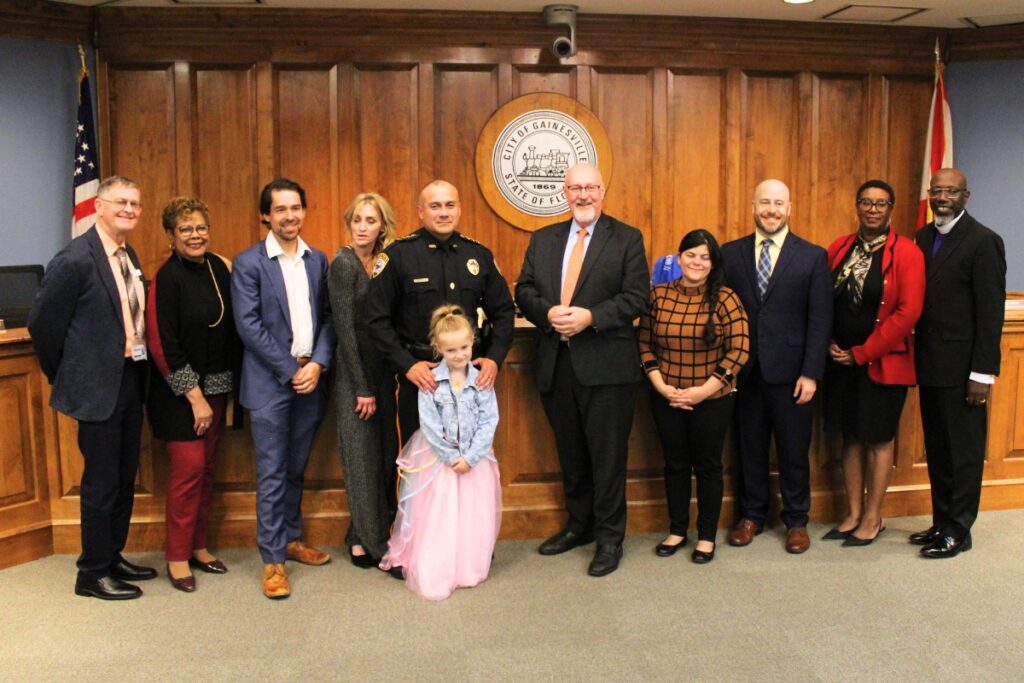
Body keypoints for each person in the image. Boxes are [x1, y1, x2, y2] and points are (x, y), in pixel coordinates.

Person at [515, 162, 649, 577]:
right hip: (557, 364)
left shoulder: (626, 238)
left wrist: (591, 317)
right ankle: (580, 526)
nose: (584, 195)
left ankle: (609, 539)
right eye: (576, 188)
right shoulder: (543, 239)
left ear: (603, 191)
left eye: (591, 187)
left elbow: (637, 297)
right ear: (565, 193)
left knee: (607, 458)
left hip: (607, 368)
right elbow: (524, 290)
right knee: (571, 453)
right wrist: (547, 312)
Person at [28, 176, 157, 600]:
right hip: (97, 388)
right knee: (101, 482)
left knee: (123, 476)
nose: (129, 210)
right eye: (121, 202)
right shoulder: (75, 259)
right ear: (99, 207)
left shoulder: (127, 253)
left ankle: (111, 556)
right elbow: (42, 325)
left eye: (135, 203)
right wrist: (67, 374)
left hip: (130, 378)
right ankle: (92, 573)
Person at [231, 178, 336, 598]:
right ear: (266, 216)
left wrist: (319, 364)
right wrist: (291, 369)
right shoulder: (248, 263)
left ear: (303, 211)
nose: (289, 216)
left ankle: (292, 540)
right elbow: (248, 326)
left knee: (296, 468)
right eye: (280, 209)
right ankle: (272, 559)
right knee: (272, 474)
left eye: (295, 208)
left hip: (311, 381)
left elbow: (328, 318)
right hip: (270, 384)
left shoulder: (318, 259)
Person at [722, 179, 831, 554]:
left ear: (789, 208)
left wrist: (811, 373)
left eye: (778, 203)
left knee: (793, 451)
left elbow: (820, 320)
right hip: (745, 371)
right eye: (765, 202)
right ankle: (751, 515)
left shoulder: (812, 256)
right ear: (753, 206)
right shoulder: (730, 253)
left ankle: (797, 520)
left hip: (794, 374)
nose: (771, 210)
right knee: (748, 448)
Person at [365, 180, 515, 444]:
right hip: (421, 379)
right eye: (435, 206)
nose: (443, 212)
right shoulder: (398, 256)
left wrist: (494, 359)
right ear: (421, 211)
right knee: (421, 459)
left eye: (449, 205)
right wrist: (407, 365)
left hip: (470, 379)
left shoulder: (478, 255)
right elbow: (376, 320)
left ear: (459, 209)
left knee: (469, 455)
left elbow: (503, 311)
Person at [145, 197, 241, 591]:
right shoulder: (166, 278)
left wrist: (217, 396)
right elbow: (161, 344)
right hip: (179, 397)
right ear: (171, 235)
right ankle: (177, 556)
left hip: (216, 390)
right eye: (185, 229)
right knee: (188, 472)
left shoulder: (219, 267)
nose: (195, 235)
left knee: (206, 471)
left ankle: (199, 547)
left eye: (201, 227)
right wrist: (195, 397)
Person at [822, 180, 925, 547]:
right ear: (857, 206)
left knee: (878, 439)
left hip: (882, 364)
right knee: (850, 436)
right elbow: (823, 299)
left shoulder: (908, 252)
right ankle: (852, 513)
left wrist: (861, 353)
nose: (872, 209)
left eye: (881, 204)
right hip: (840, 363)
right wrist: (828, 342)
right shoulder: (839, 248)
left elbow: (908, 312)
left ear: (890, 209)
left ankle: (873, 517)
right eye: (866, 202)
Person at [638, 229, 750, 564]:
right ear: (679, 257)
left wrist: (702, 391)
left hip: (712, 399)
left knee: (708, 466)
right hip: (667, 396)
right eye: (691, 255)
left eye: (705, 257)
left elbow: (740, 350)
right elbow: (644, 344)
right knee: (674, 464)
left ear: (713, 263)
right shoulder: (658, 295)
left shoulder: (726, 298)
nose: (697, 262)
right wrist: (661, 386)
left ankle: (706, 536)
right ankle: (677, 530)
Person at [911, 167, 1006, 558]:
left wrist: (982, 373)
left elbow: (991, 313)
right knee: (938, 450)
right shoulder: (922, 237)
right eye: (937, 191)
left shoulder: (984, 241)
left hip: (965, 370)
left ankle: (959, 530)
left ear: (966, 196)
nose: (942, 198)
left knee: (963, 454)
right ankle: (941, 521)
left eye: (951, 191)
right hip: (930, 365)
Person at [379, 305, 502, 600]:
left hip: (474, 459)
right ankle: (438, 567)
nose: (459, 355)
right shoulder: (431, 381)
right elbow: (430, 423)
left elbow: (489, 420)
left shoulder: (481, 380)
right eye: (451, 350)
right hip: (439, 459)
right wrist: (450, 456)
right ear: (438, 348)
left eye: (464, 348)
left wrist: (470, 457)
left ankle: (466, 567)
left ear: (472, 342)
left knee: (471, 513)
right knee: (440, 514)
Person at [328, 192, 400, 570]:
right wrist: (362, 388)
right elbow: (345, 333)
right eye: (357, 220)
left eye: (370, 221)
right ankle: (372, 544)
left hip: (383, 374)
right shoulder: (343, 264)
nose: (362, 227)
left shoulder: (384, 262)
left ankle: (361, 534)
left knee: (383, 457)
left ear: (382, 227)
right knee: (360, 459)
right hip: (355, 377)